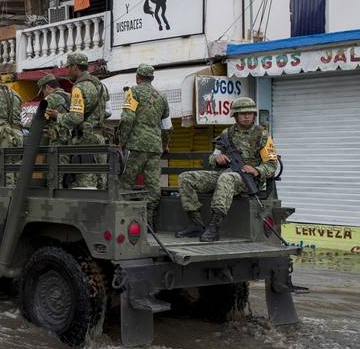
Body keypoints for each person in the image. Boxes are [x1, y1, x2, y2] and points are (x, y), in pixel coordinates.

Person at [176, 97, 278, 242]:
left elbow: (271, 165)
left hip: (249, 179)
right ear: (235, 115)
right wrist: (218, 159)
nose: (246, 116)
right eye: (242, 113)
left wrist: (257, 170)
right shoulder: (226, 134)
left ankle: (214, 226)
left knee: (226, 178)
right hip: (226, 173)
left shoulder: (262, 135)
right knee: (186, 177)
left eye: (249, 113)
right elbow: (213, 158)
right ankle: (196, 224)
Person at [119, 64, 172, 229]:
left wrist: (122, 141)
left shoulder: (132, 93)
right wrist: (164, 144)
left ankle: (125, 220)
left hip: (136, 146)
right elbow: (167, 126)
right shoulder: (162, 97)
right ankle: (149, 222)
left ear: (137, 77)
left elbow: (127, 119)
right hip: (155, 147)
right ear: (152, 78)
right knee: (153, 185)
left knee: (126, 183)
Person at [45, 53, 109, 188]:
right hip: (99, 137)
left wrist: (58, 116)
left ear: (75, 67)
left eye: (68, 67)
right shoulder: (100, 85)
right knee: (101, 182)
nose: (67, 71)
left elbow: (76, 117)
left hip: (85, 142)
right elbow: (106, 112)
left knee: (85, 184)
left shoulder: (79, 88)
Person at [38, 73, 71, 147]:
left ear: (47, 87)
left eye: (43, 92)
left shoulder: (50, 98)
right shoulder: (70, 96)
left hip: (57, 141)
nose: (43, 95)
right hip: (71, 139)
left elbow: (40, 120)